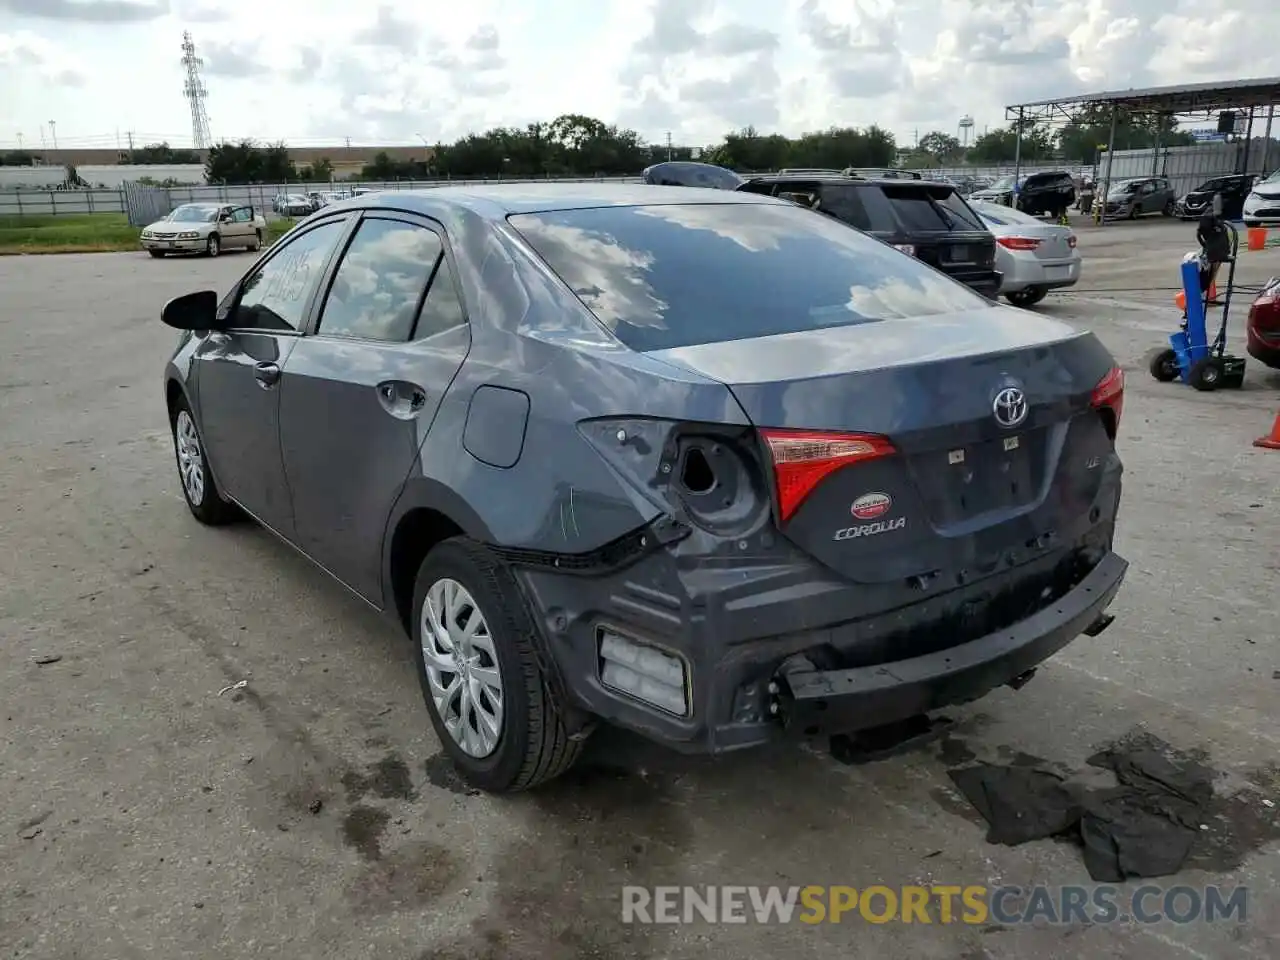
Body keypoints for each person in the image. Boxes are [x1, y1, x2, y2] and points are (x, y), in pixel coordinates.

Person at [1195, 193, 1231, 306]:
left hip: (1216, 250)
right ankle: (1202, 296)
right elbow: (1201, 231)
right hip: (1214, 251)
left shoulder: (1214, 217)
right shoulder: (1210, 217)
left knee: (1209, 273)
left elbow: (1200, 233)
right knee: (1207, 273)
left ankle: (1204, 296)